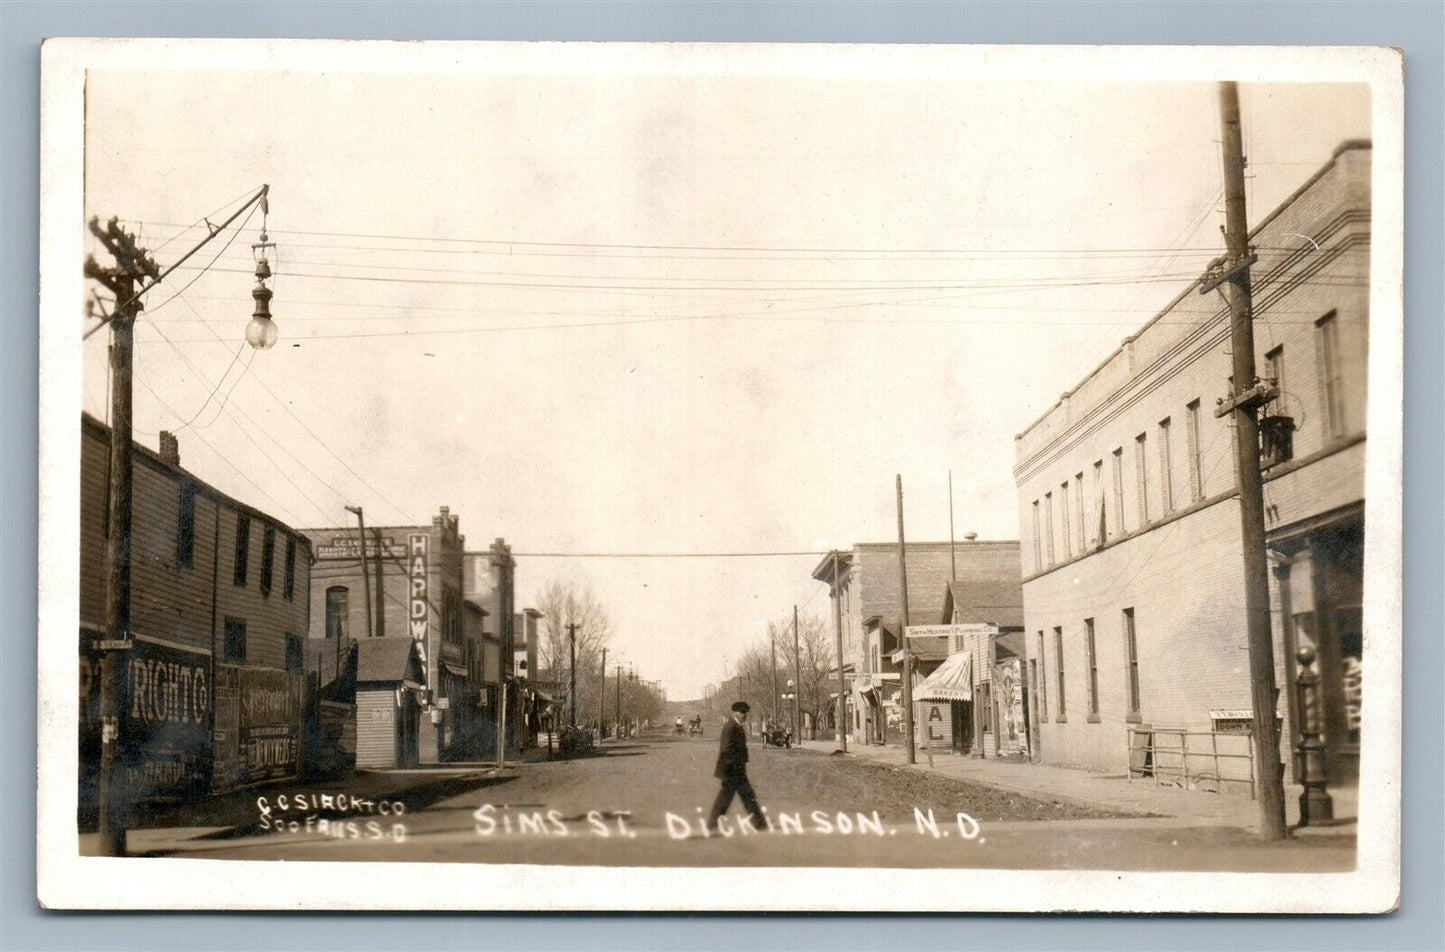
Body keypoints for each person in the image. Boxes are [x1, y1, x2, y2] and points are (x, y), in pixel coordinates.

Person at [707, 701, 767, 833]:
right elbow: (726, 749)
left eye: (745, 713)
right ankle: (759, 823)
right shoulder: (731, 726)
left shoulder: (736, 725)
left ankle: (759, 823)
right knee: (735, 796)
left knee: (742, 796)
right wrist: (733, 767)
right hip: (732, 769)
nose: (744, 715)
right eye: (742, 712)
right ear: (735, 712)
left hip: (736, 768)